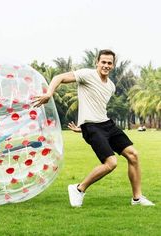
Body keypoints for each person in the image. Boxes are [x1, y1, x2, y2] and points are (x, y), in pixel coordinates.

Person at [33, 49, 155, 207]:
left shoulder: (111, 86)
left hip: (106, 124)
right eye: (103, 62)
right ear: (97, 62)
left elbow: (96, 106)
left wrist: (81, 128)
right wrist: (49, 93)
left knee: (133, 155)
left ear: (113, 65)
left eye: (109, 63)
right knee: (111, 163)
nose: (106, 65)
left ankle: (137, 198)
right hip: (92, 127)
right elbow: (59, 77)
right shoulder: (87, 75)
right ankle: (78, 188)